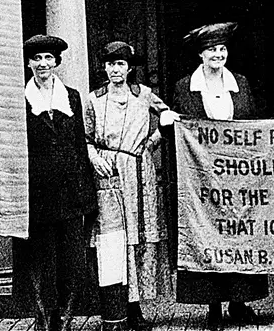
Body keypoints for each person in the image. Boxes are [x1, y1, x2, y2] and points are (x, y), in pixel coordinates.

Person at [172, 22, 269, 327]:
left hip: (238, 178)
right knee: (206, 234)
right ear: (201, 54)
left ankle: (239, 303)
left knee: (238, 233)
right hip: (202, 180)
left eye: (222, 49)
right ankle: (212, 307)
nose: (218, 54)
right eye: (212, 49)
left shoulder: (240, 82)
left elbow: (252, 126)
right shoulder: (184, 86)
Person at [84, 41, 179, 331]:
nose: (115, 70)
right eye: (111, 64)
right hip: (108, 174)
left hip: (139, 172)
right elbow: (85, 137)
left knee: (138, 239)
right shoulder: (94, 99)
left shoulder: (144, 95)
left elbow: (169, 119)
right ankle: (117, 308)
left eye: (121, 64)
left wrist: (150, 145)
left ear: (129, 67)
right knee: (114, 242)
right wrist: (94, 158)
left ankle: (136, 308)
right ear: (104, 67)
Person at [13, 35, 97, 331]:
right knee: (42, 260)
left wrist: (86, 193)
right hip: (38, 194)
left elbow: (79, 143)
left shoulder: (71, 97)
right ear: (28, 63)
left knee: (71, 261)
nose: (43, 64)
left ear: (57, 63)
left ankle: (65, 315)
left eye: (49, 58)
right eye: (37, 59)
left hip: (71, 192)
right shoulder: (19, 99)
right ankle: (44, 318)